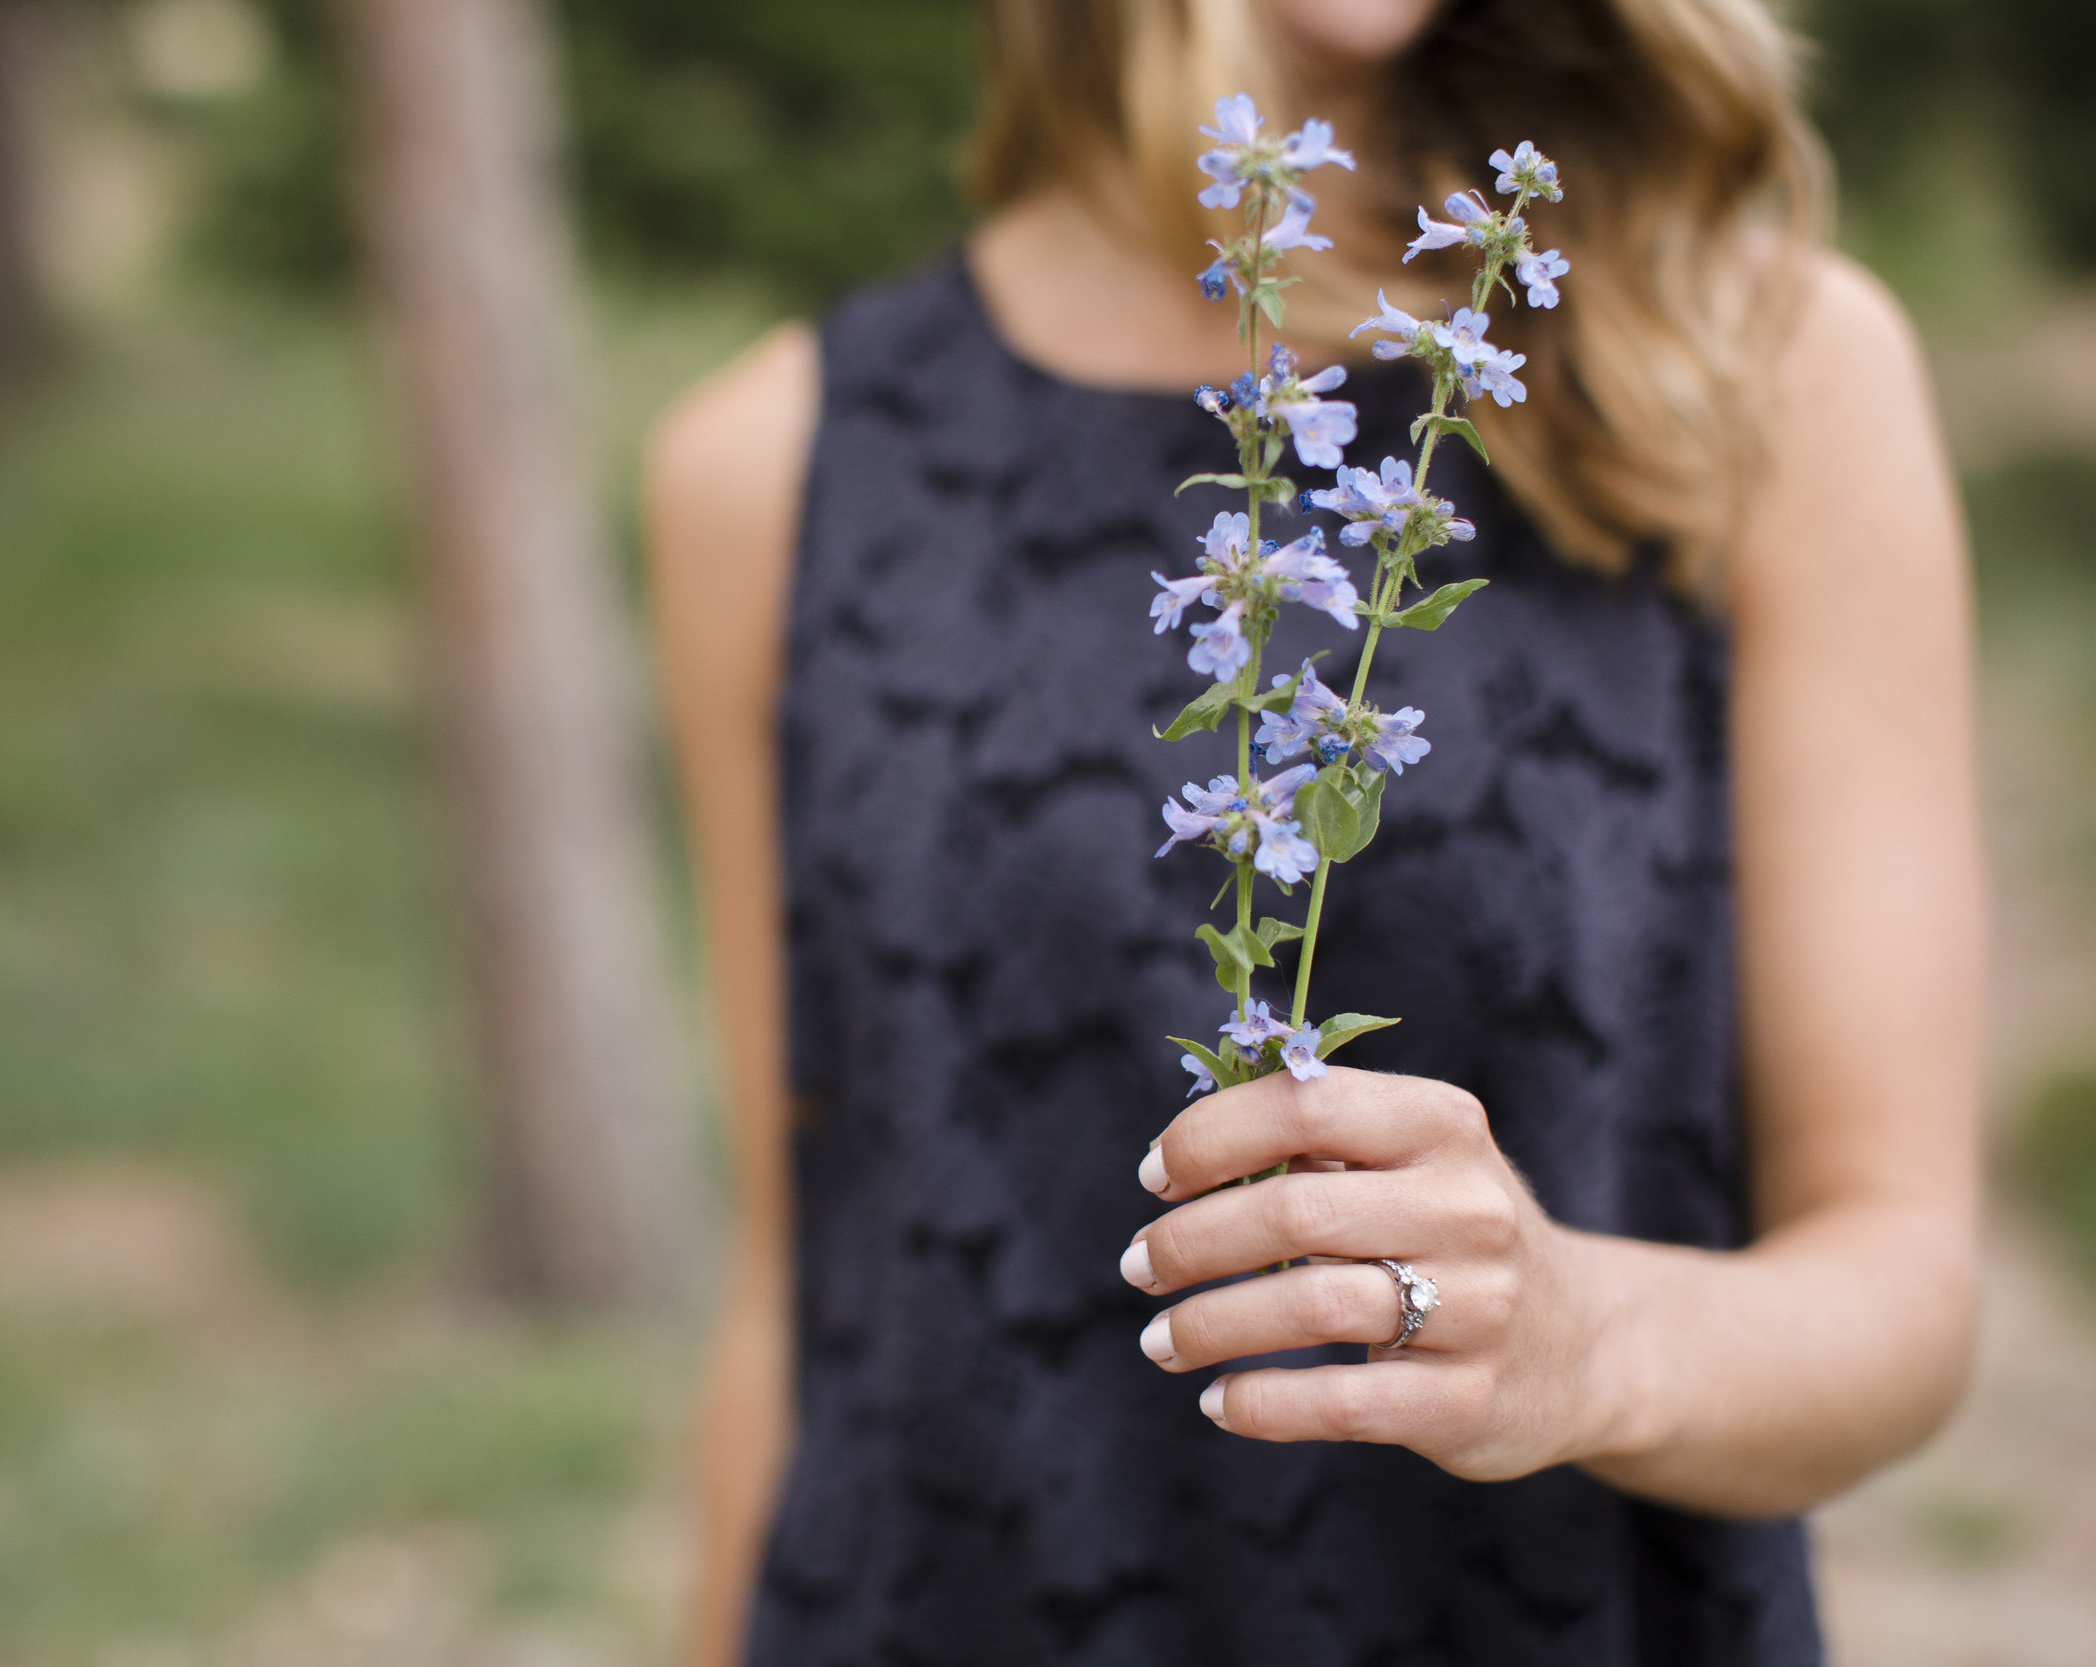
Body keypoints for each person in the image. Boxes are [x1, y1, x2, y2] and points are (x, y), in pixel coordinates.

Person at [644, 0, 1982, 1661]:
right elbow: (805, 1295)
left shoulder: (1755, 367)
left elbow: (1909, 1288)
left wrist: (1583, 1338)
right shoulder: (768, 465)